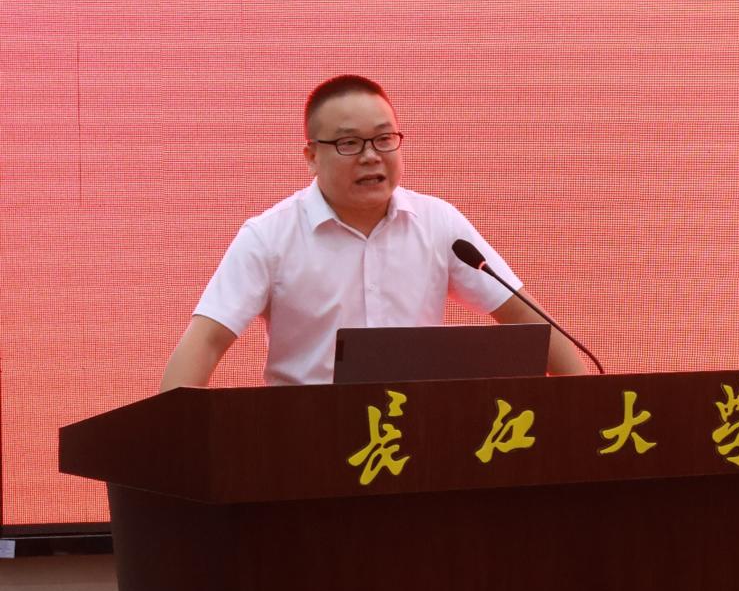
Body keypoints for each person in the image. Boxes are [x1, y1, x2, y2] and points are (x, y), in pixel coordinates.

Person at [160, 75, 586, 391]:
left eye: (384, 139)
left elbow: (529, 323)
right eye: (349, 144)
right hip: (304, 441)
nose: (370, 157)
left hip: (418, 438)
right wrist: (170, 440)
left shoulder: (438, 223)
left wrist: (590, 406)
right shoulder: (269, 237)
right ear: (311, 156)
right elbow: (206, 341)